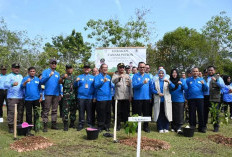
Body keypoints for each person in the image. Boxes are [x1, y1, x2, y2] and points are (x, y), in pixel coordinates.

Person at [41, 59, 60, 132]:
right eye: (52, 63)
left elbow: (59, 84)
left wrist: (60, 93)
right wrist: (49, 76)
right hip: (48, 93)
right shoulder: (45, 72)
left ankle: (53, 124)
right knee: (46, 109)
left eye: (55, 63)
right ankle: (45, 125)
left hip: (56, 94)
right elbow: (42, 81)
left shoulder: (57, 73)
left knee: (55, 110)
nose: (54, 65)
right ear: (50, 64)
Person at [186, 67, 208, 133]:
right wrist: (186, 98)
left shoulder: (202, 79)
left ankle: (201, 127)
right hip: (191, 99)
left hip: (200, 98)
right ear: (191, 72)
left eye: (196, 71)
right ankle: (192, 126)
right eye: (194, 71)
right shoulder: (188, 80)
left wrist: (203, 84)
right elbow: (186, 90)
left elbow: (206, 89)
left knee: (201, 113)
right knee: (192, 113)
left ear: (198, 72)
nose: (195, 72)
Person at [203, 66, 225, 132]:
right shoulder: (204, 78)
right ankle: (204, 126)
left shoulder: (218, 78)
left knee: (214, 113)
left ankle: (216, 127)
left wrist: (217, 81)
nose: (210, 71)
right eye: (209, 70)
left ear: (214, 71)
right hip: (206, 97)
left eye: (212, 70)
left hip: (214, 97)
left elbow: (222, 86)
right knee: (205, 113)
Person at [150, 69, 172, 133]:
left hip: (166, 101)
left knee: (166, 113)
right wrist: (157, 93)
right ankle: (160, 128)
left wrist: (169, 82)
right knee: (159, 114)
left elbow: (172, 88)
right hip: (158, 100)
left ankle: (166, 127)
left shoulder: (167, 81)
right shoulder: (155, 81)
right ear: (158, 74)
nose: (161, 74)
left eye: (162, 73)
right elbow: (152, 89)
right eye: (160, 73)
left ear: (165, 74)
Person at [4, 63, 24, 133]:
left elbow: (22, 85)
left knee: (20, 112)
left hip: (20, 97)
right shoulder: (9, 76)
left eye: (18, 68)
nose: (17, 69)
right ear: (12, 69)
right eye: (15, 68)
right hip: (12, 97)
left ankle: (18, 126)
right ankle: (11, 126)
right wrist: (12, 84)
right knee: (11, 112)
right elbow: (5, 85)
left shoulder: (21, 76)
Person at [132, 62, 152, 133]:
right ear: (138, 68)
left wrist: (150, 96)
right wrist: (142, 83)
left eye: (143, 67)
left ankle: (146, 127)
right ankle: (137, 127)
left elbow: (150, 87)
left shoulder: (148, 76)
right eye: (141, 67)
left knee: (146, 113)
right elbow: (134, 86)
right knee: (137, 114)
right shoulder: (135, 76)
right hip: (138, 98)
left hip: (146, 98)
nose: (142, 68)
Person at [112, 63, 132, 131]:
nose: (122, 69)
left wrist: (130, 95)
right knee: (117, 112)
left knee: (126, 112)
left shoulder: (127, 75)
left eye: (123, 67)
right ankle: (118, 125)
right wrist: (119, 77)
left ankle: (126, 125)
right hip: (118, 97)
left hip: (126, 97)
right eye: (120, 67)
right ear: (118, 68)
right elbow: (113, 81)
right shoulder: (115, 75)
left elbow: (130, 86)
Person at [21, 67, 41, 134]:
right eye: (31, 71)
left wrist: (41, 96)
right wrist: (26, 82)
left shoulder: (37, 79)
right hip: (28, 99)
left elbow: (40, 89)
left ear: (35, 72)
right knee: (28, 114)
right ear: (29, 72)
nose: (32, 72)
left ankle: (36, 127)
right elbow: (21, 86)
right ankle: (29, 127)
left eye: (33, 71)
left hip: (36, 99)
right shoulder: (25, 79)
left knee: (36, 113)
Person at [75, 64, 95, 131]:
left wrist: (94, 97)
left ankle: (89, 124)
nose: (86, 69)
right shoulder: (79, 77)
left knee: (89, 111)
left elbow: (95, 88)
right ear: (83, 69)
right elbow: (75, 86)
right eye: (85, 68)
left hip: (90, 97)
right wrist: (76, 81)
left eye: (88, 68)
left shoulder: (93, 77)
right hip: (81, 97)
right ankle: (81, 124)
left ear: (89, 69)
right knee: (81, 111)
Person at [94, 64, 112, 132]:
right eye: (104, 68)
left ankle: (107, 126)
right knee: (101, 113)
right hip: (101, 98)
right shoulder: (97, 77)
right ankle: (100, 126)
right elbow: (95, 86)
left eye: (106, 67)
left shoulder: (109, 77)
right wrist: (102, 81)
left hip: (109, 98)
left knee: (108, 113)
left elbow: (111, 86)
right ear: (101, 69)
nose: (105, 69)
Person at [59, 65, 77, 131]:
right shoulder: (64, 76)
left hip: (74, 97)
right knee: (65, 111)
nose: (69, 70)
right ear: (66, 70)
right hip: (66, 97)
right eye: (68, 69)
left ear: (72, 69)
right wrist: (62, 78)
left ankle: (72, 123)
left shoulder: (75, 77)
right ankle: (65, 124)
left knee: (73, 111)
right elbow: (59, 82)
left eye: (70, 68)